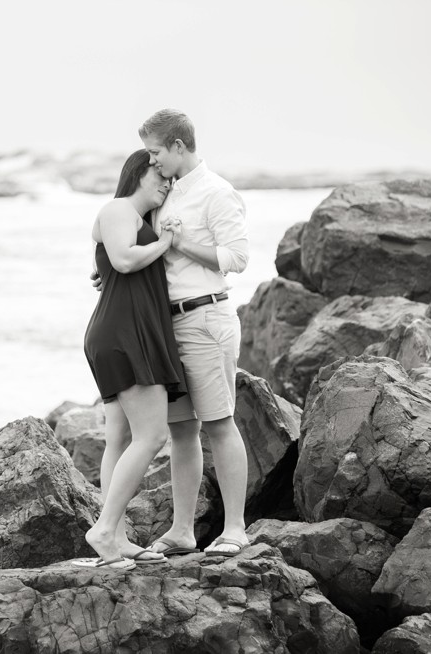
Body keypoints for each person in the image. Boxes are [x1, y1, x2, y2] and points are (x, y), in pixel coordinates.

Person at [138, 109, 251, 557]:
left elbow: (237, 258)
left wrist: (182, 243)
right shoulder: (162, 193)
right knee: (181, 430)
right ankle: (182, 530)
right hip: (168, 325)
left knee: (220, 424)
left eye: (155, 152)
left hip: (206, 318)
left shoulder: (217, 193)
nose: (152, 161)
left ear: (178, 147)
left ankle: (236, 529)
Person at [76, 149, 188, 570]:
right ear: (139, 173)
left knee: (120, 438)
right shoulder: (119, 208)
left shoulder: (133, 219)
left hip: (120, 333)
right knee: (152, 435)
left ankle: (117, 537)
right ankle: (104, 530)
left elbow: (106, 265)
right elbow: (122, 260)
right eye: (160, 174)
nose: (167, 183)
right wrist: (164, 243)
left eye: (170, 179)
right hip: (125, 336)